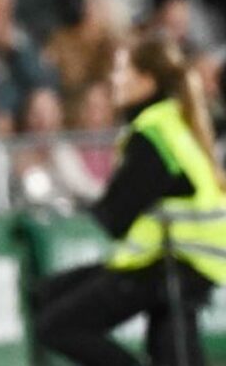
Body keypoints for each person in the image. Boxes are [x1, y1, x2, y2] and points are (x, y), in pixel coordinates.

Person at [34, 36, 226, 365]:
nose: (114, 79)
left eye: (122, 71)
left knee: (57, 324)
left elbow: (115, 215)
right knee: (172, 355)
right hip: (185, 260)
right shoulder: (170, 122)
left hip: (173, 263)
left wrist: (75, 205)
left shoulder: (154, 133)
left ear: (147, 80)